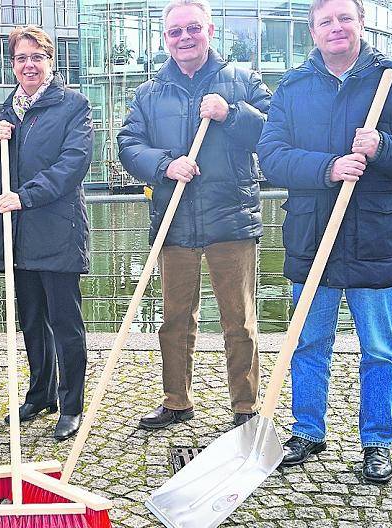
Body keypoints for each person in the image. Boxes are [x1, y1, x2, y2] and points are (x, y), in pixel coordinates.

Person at [257, 0, 392, 483]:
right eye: (326, 21)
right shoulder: (294, 87)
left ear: (361, 23)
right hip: (312, 236)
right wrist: (329, 167)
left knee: (379, 349)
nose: (336, 27)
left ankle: (377, 441)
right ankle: (307, 431)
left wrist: (383, 145)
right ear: (313, 32)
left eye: (345, 18)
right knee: (307, 343)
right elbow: (271, 156)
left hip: (376, 239)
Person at [117, 0, 271, 431]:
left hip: (231, 218)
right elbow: (128, 144)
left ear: (210, 31)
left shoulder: (242, 80)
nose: (184, 38)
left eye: (193, 29)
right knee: (174, 320)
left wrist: (231, 114)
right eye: (175, 31)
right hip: (175, 220)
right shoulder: (149, 93)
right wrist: (165, 165)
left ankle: (245, 407)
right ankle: (177, 401)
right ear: (166, 39)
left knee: (238, 320)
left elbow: (274, 132)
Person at [0, 26, 93, 441]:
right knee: (31, 320)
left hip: (58, 231)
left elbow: (72, 165)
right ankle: (40, 394)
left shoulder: (73, 105)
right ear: (12, 65)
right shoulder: (8, 109)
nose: (29, 65)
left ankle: (71, 404)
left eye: (37, 57)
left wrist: (24, 197)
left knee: (65, 323)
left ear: (50, 61)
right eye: (21, 58)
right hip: (18, 235)